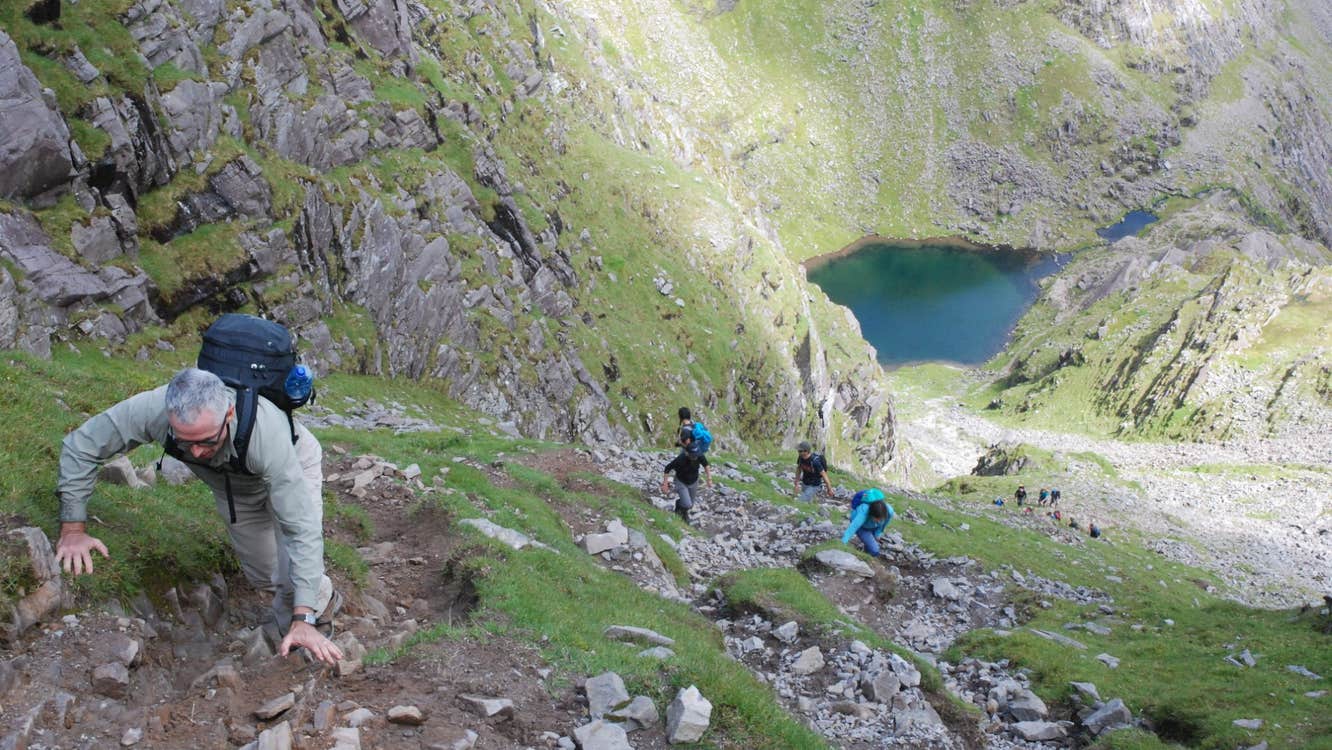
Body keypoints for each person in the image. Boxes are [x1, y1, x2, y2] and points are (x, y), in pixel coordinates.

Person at [54, 367, 343, 665]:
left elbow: (301, 529)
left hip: (292, 463)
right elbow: (81, 446)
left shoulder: (267, 437)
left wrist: (303, 616)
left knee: (290, 576)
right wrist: (73, 529)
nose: (196, 453)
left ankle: (304, 634)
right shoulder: (153, 410)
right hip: (236, 489)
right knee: (264, 575)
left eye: (206, 442)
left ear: (229, 414)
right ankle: (308, 606)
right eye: (183, 442)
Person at [660, 432, 712, 524]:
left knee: (690, 505)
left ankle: (682, 510)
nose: (695, 457)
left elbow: (706, 465)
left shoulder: (699, 455)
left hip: (694, 482)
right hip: (681, 481)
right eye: (693, 455)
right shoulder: (681, 459)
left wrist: (709, 479)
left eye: (696, 455)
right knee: (687, 504)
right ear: (687, 453)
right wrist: (665, 484)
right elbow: (667, 468)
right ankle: (680, 509)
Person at [840, 489, 894, 558]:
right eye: (877, 519)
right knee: (875, 550)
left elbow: (884, 524)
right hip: (862, 527)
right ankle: (867, 556)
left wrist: (878, 533)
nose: (879, 521)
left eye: (881, 519)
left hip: (873, 526)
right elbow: (853, 527)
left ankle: (866, 553)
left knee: (871, 548)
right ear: (871, 514)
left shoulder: (889, 511)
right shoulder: (863, 511)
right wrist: (842, 542)